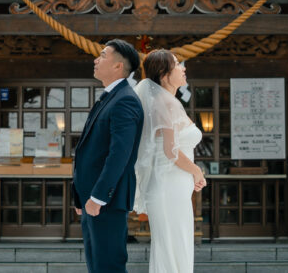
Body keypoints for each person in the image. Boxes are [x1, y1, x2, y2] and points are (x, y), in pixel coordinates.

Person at [72, 39, 145, 273]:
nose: (96, 59)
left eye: (102, 55)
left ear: (118, 66)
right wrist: (81, 197)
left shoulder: (125, 100)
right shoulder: (110, 97)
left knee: (108, 265)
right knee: (97, 265)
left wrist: (99, 197)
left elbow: (119, 155)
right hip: (92, 199)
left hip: (106, 201)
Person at [133, 49, 206, 273]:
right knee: (173, 247)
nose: (183, 68)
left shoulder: (166, 101)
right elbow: (170, 151)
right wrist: (197, 171)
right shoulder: (164, 104)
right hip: (168, 186)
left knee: (176, 245)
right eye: (177, 65)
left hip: (173, 185)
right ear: (164, 74)